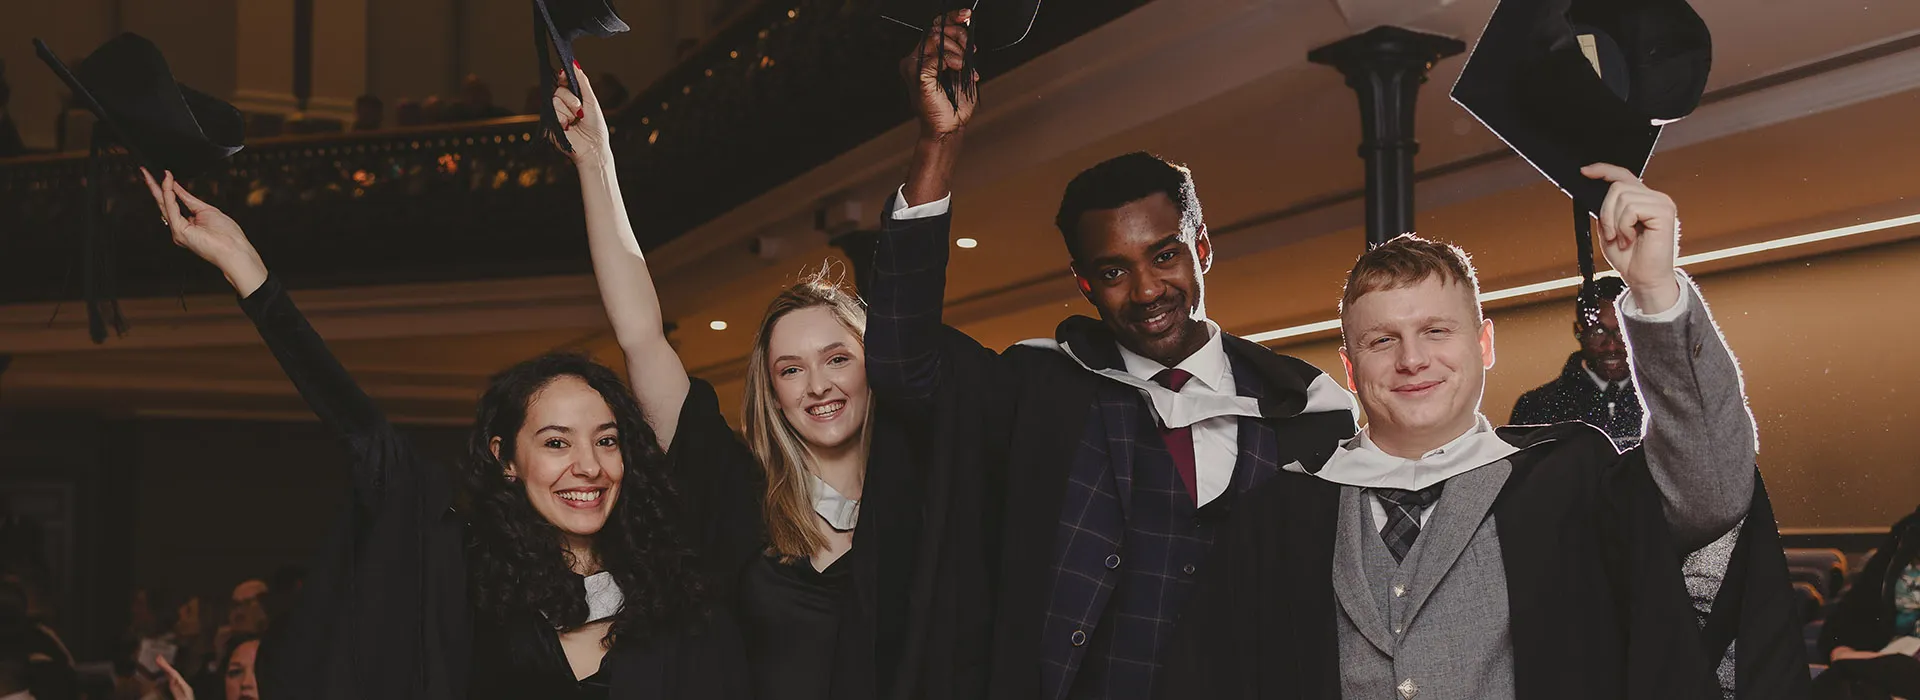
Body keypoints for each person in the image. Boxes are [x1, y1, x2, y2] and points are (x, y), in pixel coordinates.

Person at [1160, 167, 1809, 699]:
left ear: (1484, 343)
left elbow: (1717, 493)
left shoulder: (1568, 478)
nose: (1412, 360)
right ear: (1352, 369)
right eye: (1383, 340)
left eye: (1436, 331)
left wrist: (1655, 289)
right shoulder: (1282, 510)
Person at [864, 12, 1360, 700]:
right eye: (1113, 271)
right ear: (1083, 284)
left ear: (1202, 248)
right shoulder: (1039, 390)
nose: (1148, 290)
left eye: (1164, 255)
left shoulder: (1309, 414)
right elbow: (902, 367)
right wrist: (937, 143)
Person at [136, 162, 751, 697]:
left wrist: (596, 162)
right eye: (555, 441)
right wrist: (250, 273)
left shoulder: (674, 570)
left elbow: (643, 336)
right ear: (506, 458)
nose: (586, 465)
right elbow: (368, 438)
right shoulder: (467, 583)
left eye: (607, 439)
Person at [557, 64, 976, 700]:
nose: (817, 385)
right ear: (771, 391)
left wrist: (940, 142)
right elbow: (642, 335)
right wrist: (597, 162)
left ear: (874, 365)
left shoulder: (927, 483)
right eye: (790, 369)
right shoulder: (739, 494)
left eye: (837, 358)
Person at [1509, 277, 1642, 447]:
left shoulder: (1661, 401)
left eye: (1622, 331)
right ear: (1579, 332)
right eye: (1598, 332)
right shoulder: (1537, 407)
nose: (1611, 345)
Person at [1813, 504, 1920, 699]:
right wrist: (1841, 649)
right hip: (1891, 660)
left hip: (1904, 669)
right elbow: (1856, 605)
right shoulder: (1907, 533)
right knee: (1840, 684)